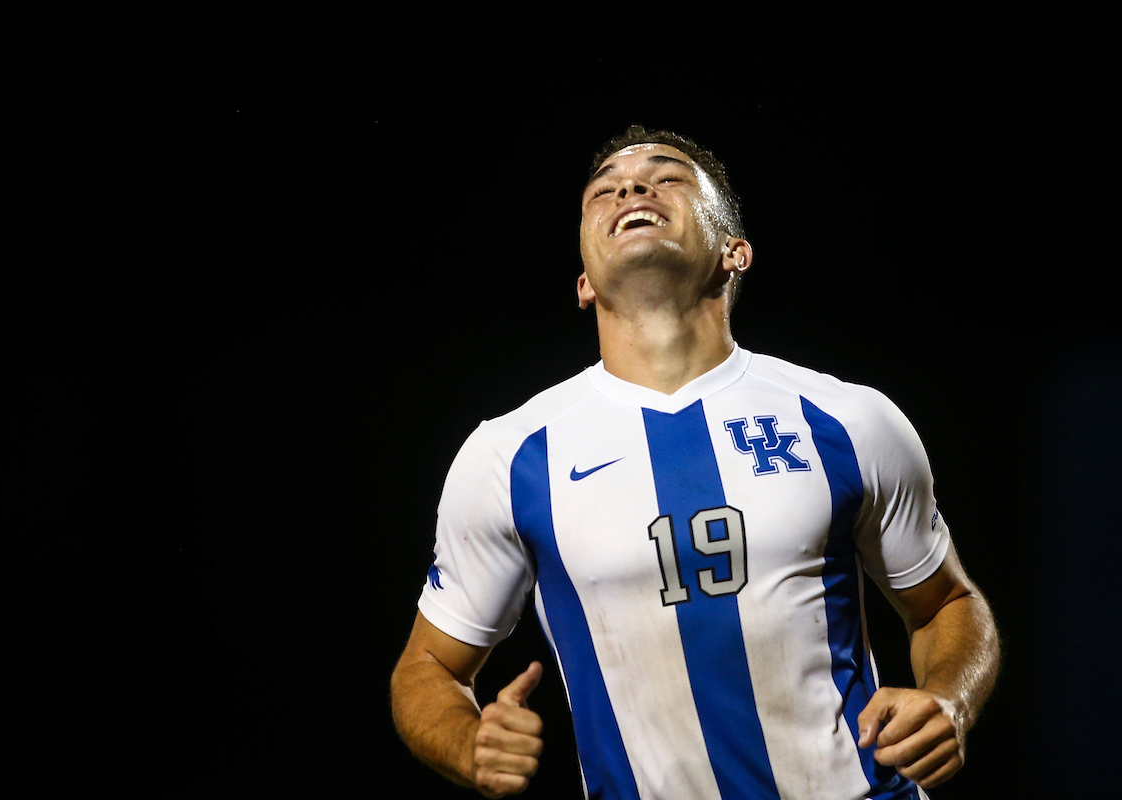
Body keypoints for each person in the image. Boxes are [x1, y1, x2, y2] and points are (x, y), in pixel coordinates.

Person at [390, 125, 1000, 800]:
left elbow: (946, 602)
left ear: (733, 252)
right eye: (604, 189)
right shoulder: (509, 455)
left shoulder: (848, 419)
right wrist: (469, 746)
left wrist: (949, 701)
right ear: (584, 283)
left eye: (667, 176)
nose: (629, 187)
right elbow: (426, 670)